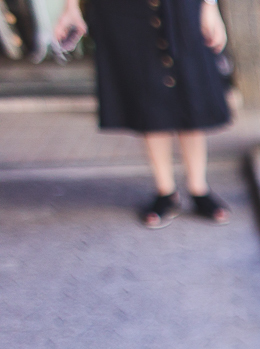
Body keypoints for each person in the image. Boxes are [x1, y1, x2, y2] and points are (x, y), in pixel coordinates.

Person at [53, 0, 232, 228]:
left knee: (189, 87)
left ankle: (199, 189)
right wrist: (71, 7)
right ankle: (165, 191)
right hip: (124, 11)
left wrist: (209, 6)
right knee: (147, 90)